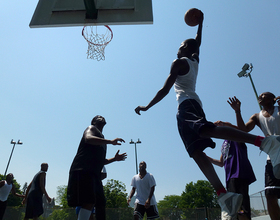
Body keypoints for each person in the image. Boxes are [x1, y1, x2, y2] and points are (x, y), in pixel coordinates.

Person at [134, 11, 280, 217]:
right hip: (189, 105)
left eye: (180, 46)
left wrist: (147, 106)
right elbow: (197, 43)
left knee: (206, 130)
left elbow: (165, 90)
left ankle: (263, 142)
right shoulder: (194, 59)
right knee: (195, 151)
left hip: (187, 105)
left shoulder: (179, 63)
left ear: (185, 49)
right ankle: (223, 194)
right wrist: (200, 25)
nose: (178, 49)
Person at [228, 94, 280, 220]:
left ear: (273, 99)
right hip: (272, 157)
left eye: (264, 95)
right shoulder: (257, 116)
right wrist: (237, 111)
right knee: (270, 194)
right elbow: (243, 130)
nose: (260, 96)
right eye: (260, 96)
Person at [67, 115, 127, 220]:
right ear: (94, 121)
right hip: (83, 170)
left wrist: (114, 159)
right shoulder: (91, 128)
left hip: (94, 174)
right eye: (98, 117)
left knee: (100, 203)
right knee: (88, 201)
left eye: (103, 117)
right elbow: (88, 138)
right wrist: (111, 141)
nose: (101, 117)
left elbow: (101, 161)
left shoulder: (102, 140)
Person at [206, 121, 256, 220]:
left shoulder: (235, 138)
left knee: (242, 209)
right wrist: (207, 158)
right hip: (229, 179)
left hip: (239, 175)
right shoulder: (224, 144)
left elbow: (239, 130)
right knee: (236, 210)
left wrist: (223, 124)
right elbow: (221, 163)